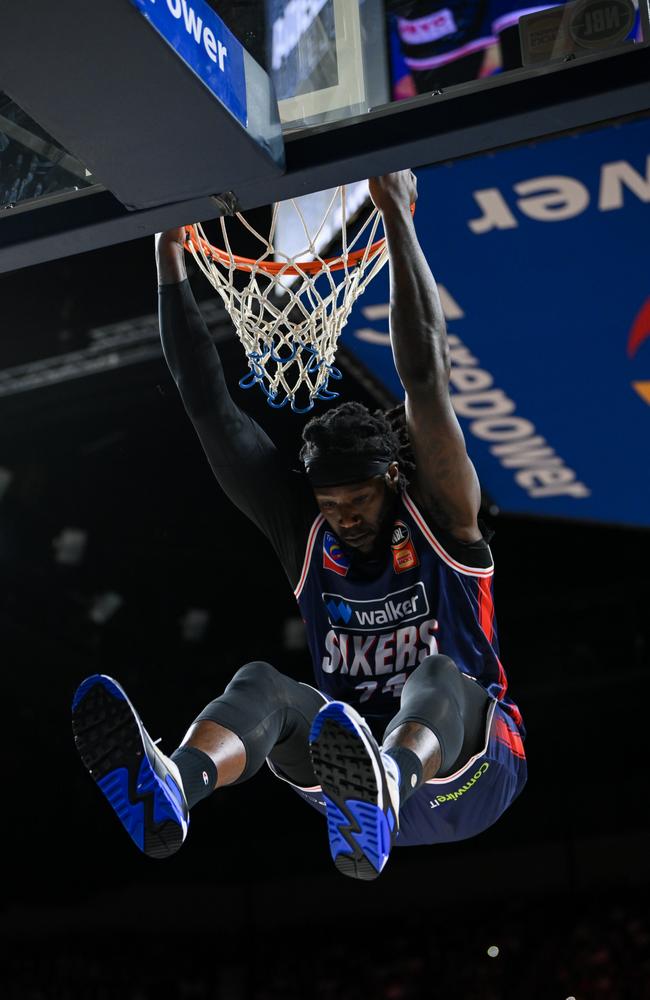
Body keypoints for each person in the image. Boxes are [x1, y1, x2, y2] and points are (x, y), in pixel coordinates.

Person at [72, 171, 526, 881]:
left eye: (358, 502)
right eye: (330, 504)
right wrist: (168, 261)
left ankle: (388, 783)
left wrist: (396, 216)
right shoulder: (305, 529)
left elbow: (426, 375)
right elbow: (208, 407)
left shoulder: (442, 517)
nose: (342, 518)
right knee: (263, 684)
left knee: (437, 672)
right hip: (345, 803)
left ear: (392, 480)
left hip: (470, 775)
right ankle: (176, 787)